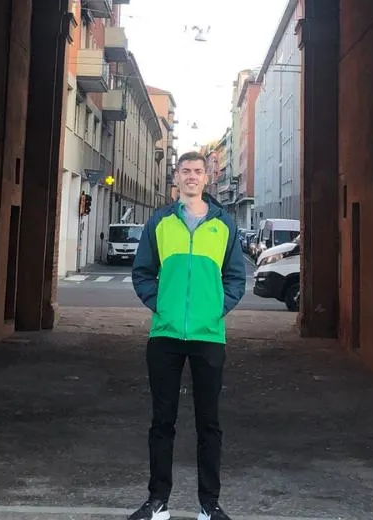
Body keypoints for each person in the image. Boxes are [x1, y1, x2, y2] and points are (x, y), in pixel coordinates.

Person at [128, 150, 246, 520]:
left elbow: (236, 278)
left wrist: (214, 309)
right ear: (175, 177)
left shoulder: (224, 225)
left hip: (208, 337)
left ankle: (209, 505)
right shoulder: (160, 223)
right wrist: (161, 305)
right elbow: (142, 272)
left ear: (207, 178)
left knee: (208, 423)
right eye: (185, 171)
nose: (192, 177)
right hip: (165, 335)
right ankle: (157, 500)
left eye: (198, 171)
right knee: (162, 421)